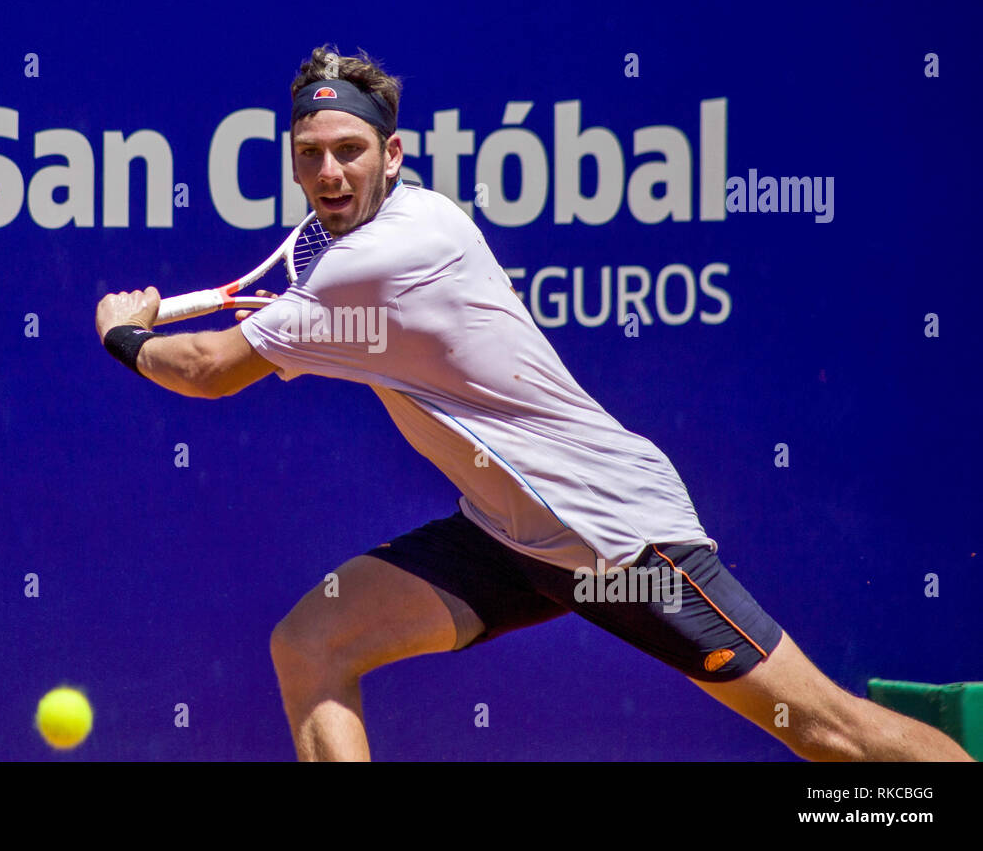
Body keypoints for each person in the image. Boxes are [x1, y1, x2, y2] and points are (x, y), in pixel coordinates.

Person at [94, 46, 974, 762]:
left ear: (392, 156)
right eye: (308, 154)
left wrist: (123, 335)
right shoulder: (346, 238)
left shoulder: (381, 257)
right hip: (509, 533)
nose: (327, 171)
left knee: (830, 739)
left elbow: (210, 367)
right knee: (312, 642)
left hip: (609, 534)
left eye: (349, 151)